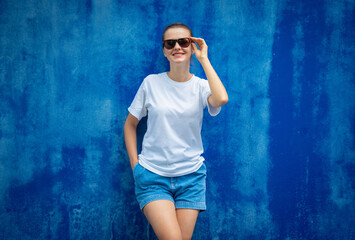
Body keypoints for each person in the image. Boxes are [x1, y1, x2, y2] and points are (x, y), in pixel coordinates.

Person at [124, 22, 228, 240]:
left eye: (184, 42)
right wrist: (136, 166)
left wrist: (204, 59)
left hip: (191, 177)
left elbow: (221, 99)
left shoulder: (200, 86)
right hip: (152, 175)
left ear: (192, 46)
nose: (177, 47)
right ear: (164, 50)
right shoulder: (151, 83)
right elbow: (130, 124)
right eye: (170, 43)